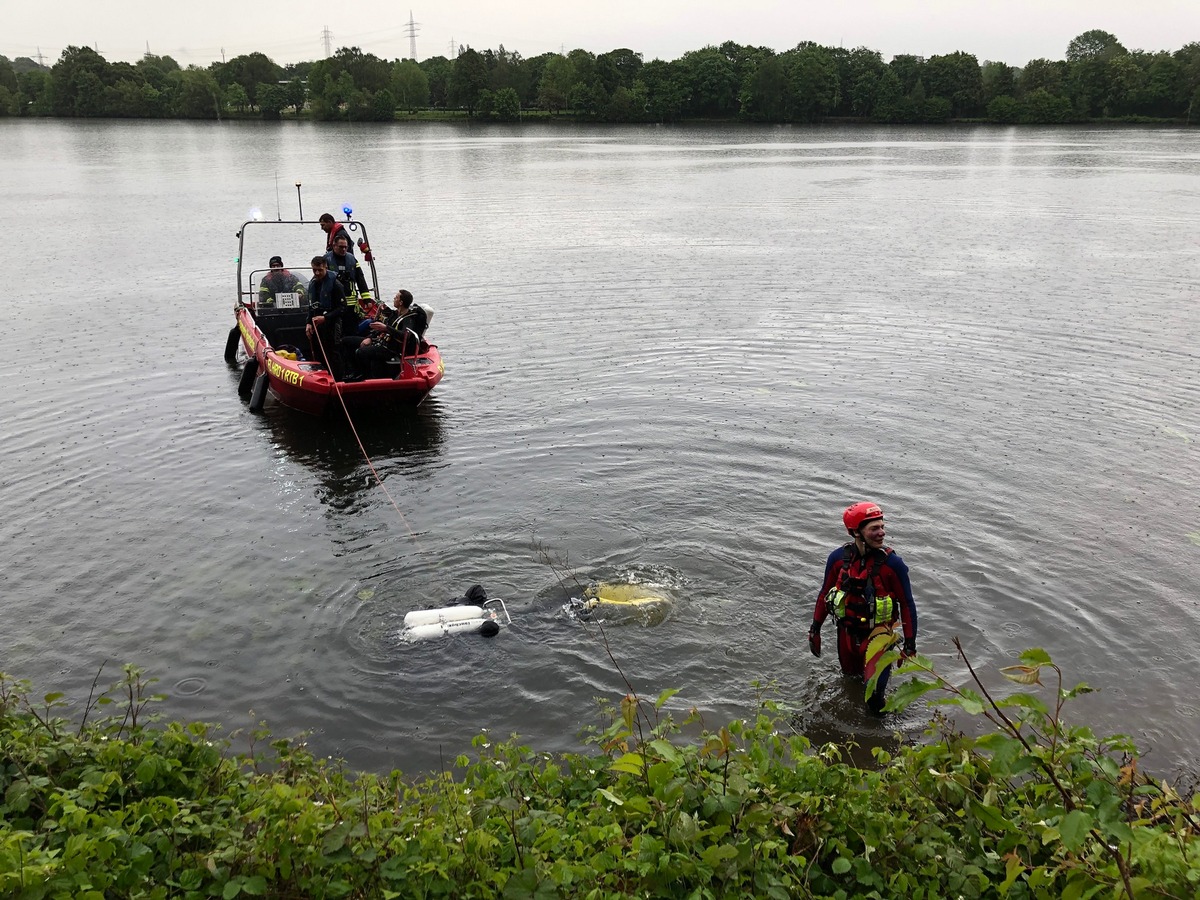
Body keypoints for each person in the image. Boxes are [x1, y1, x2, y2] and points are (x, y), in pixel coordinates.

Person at [809, 502, 918, 714]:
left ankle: (883, 734)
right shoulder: (838, 559)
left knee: (873, 698)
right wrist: (815, 629)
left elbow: (907, 604)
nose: (882, 533)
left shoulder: (893, 565)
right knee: (849, 682)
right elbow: (824, 594)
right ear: (856, 532)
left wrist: (910, 645)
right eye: (874, 528)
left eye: (882, 527)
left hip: (878, 637)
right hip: (847, 634)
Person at [353, 289, 429, 380]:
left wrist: (386, 328)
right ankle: (352, 372)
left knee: (361, 352)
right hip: (382, 342)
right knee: (347, 341)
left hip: (392, 350)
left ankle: (365, 377)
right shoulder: (395, 314)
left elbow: (405, 335)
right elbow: (381, 329)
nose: (394, 298)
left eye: (396, 297)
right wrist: (370, 338)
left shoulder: (408, 319)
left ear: (401, 302)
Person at [306, 256, 347, 380]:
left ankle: (339, 379)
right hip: (316, 323)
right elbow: (311, 306)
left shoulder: (335, 284)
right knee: (318, 351)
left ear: (326, 268)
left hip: (332, 323)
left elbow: (342, 307)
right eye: (314, 270)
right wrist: (308, 323)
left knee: (333, 351)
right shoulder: (313, 283)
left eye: (320, 270)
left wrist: (326, 318)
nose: (317, 273)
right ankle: (321, 377)